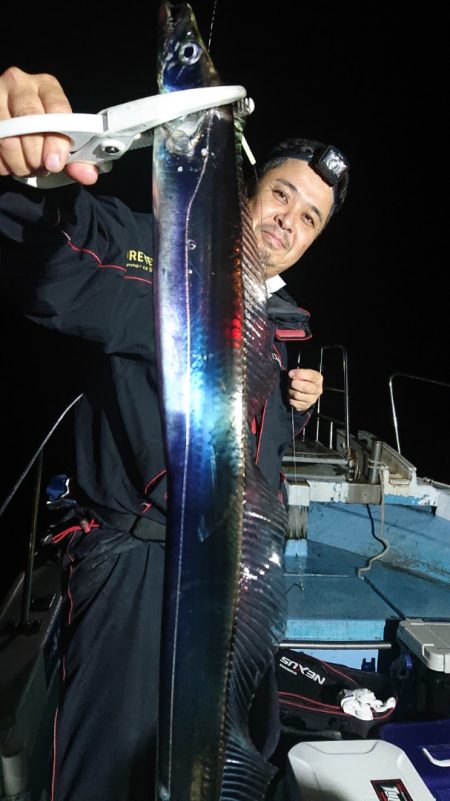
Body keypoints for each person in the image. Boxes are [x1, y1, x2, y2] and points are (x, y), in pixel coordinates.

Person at [0, 66, 349, 801]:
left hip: (237, 583)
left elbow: (247, 441)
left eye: (310, 217)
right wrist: (31, 175)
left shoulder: (284, 324)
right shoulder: (167, 263)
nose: (289, 220)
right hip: (136, 572)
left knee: (227, 763)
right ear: (243, 191)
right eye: (281, 193)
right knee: (104, 777)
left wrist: (295, 406)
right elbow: (61, 258)